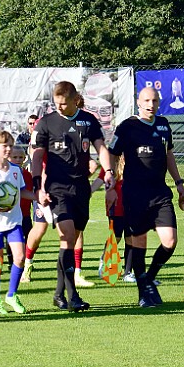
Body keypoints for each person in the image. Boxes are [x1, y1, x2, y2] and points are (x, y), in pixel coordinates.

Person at [31, 81, 114, 312]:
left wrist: (108, 172)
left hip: (81, 189)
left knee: (71, 239)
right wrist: (38, 185)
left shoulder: (88, 121)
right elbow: (37, 157)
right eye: (56, 103)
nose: (59, 107)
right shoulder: (46, 123)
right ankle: (73, 296)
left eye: (64, 103)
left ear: (75, 99)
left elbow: (101, 148)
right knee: (67, 235)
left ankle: (58, 293)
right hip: (57, 188)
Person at [107, 86, 184, 307]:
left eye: (154, 100)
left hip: (160, 193)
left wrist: (179, 184)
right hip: (135, 194)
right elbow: (112, 154)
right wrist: (111, 184)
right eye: (146, 100)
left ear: (159, 101)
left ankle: (149, 279)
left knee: (170, 241)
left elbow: (169, 154)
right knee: (139, 244)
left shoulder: (163, 124)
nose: (151, 104)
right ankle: (143, 292)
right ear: (138, 101)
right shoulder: (127, 127)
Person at [0, 131, 35, 314]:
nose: (9, 149)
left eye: (10, 145)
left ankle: (12, 295)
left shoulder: (16, 170)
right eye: (5, 146)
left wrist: (37, 197)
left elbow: (22, 192)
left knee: (19, 257)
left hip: (14, 222)